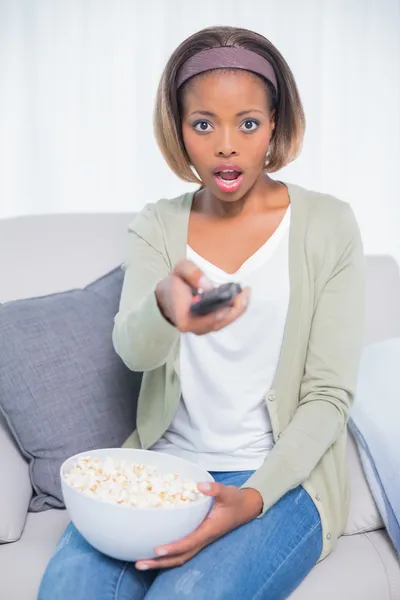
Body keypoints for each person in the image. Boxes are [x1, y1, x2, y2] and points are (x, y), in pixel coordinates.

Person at [38, 25, 365, 600]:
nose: (226, 145)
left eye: (248, 123)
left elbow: (328, 396)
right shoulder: (157, 226)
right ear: (180, 131)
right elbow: (134, 353)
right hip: (165, 467)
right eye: (203, 124)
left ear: (275, 127)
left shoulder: (328, 225)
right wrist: (165, 308)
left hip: (275, 480)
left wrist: (252, 499)